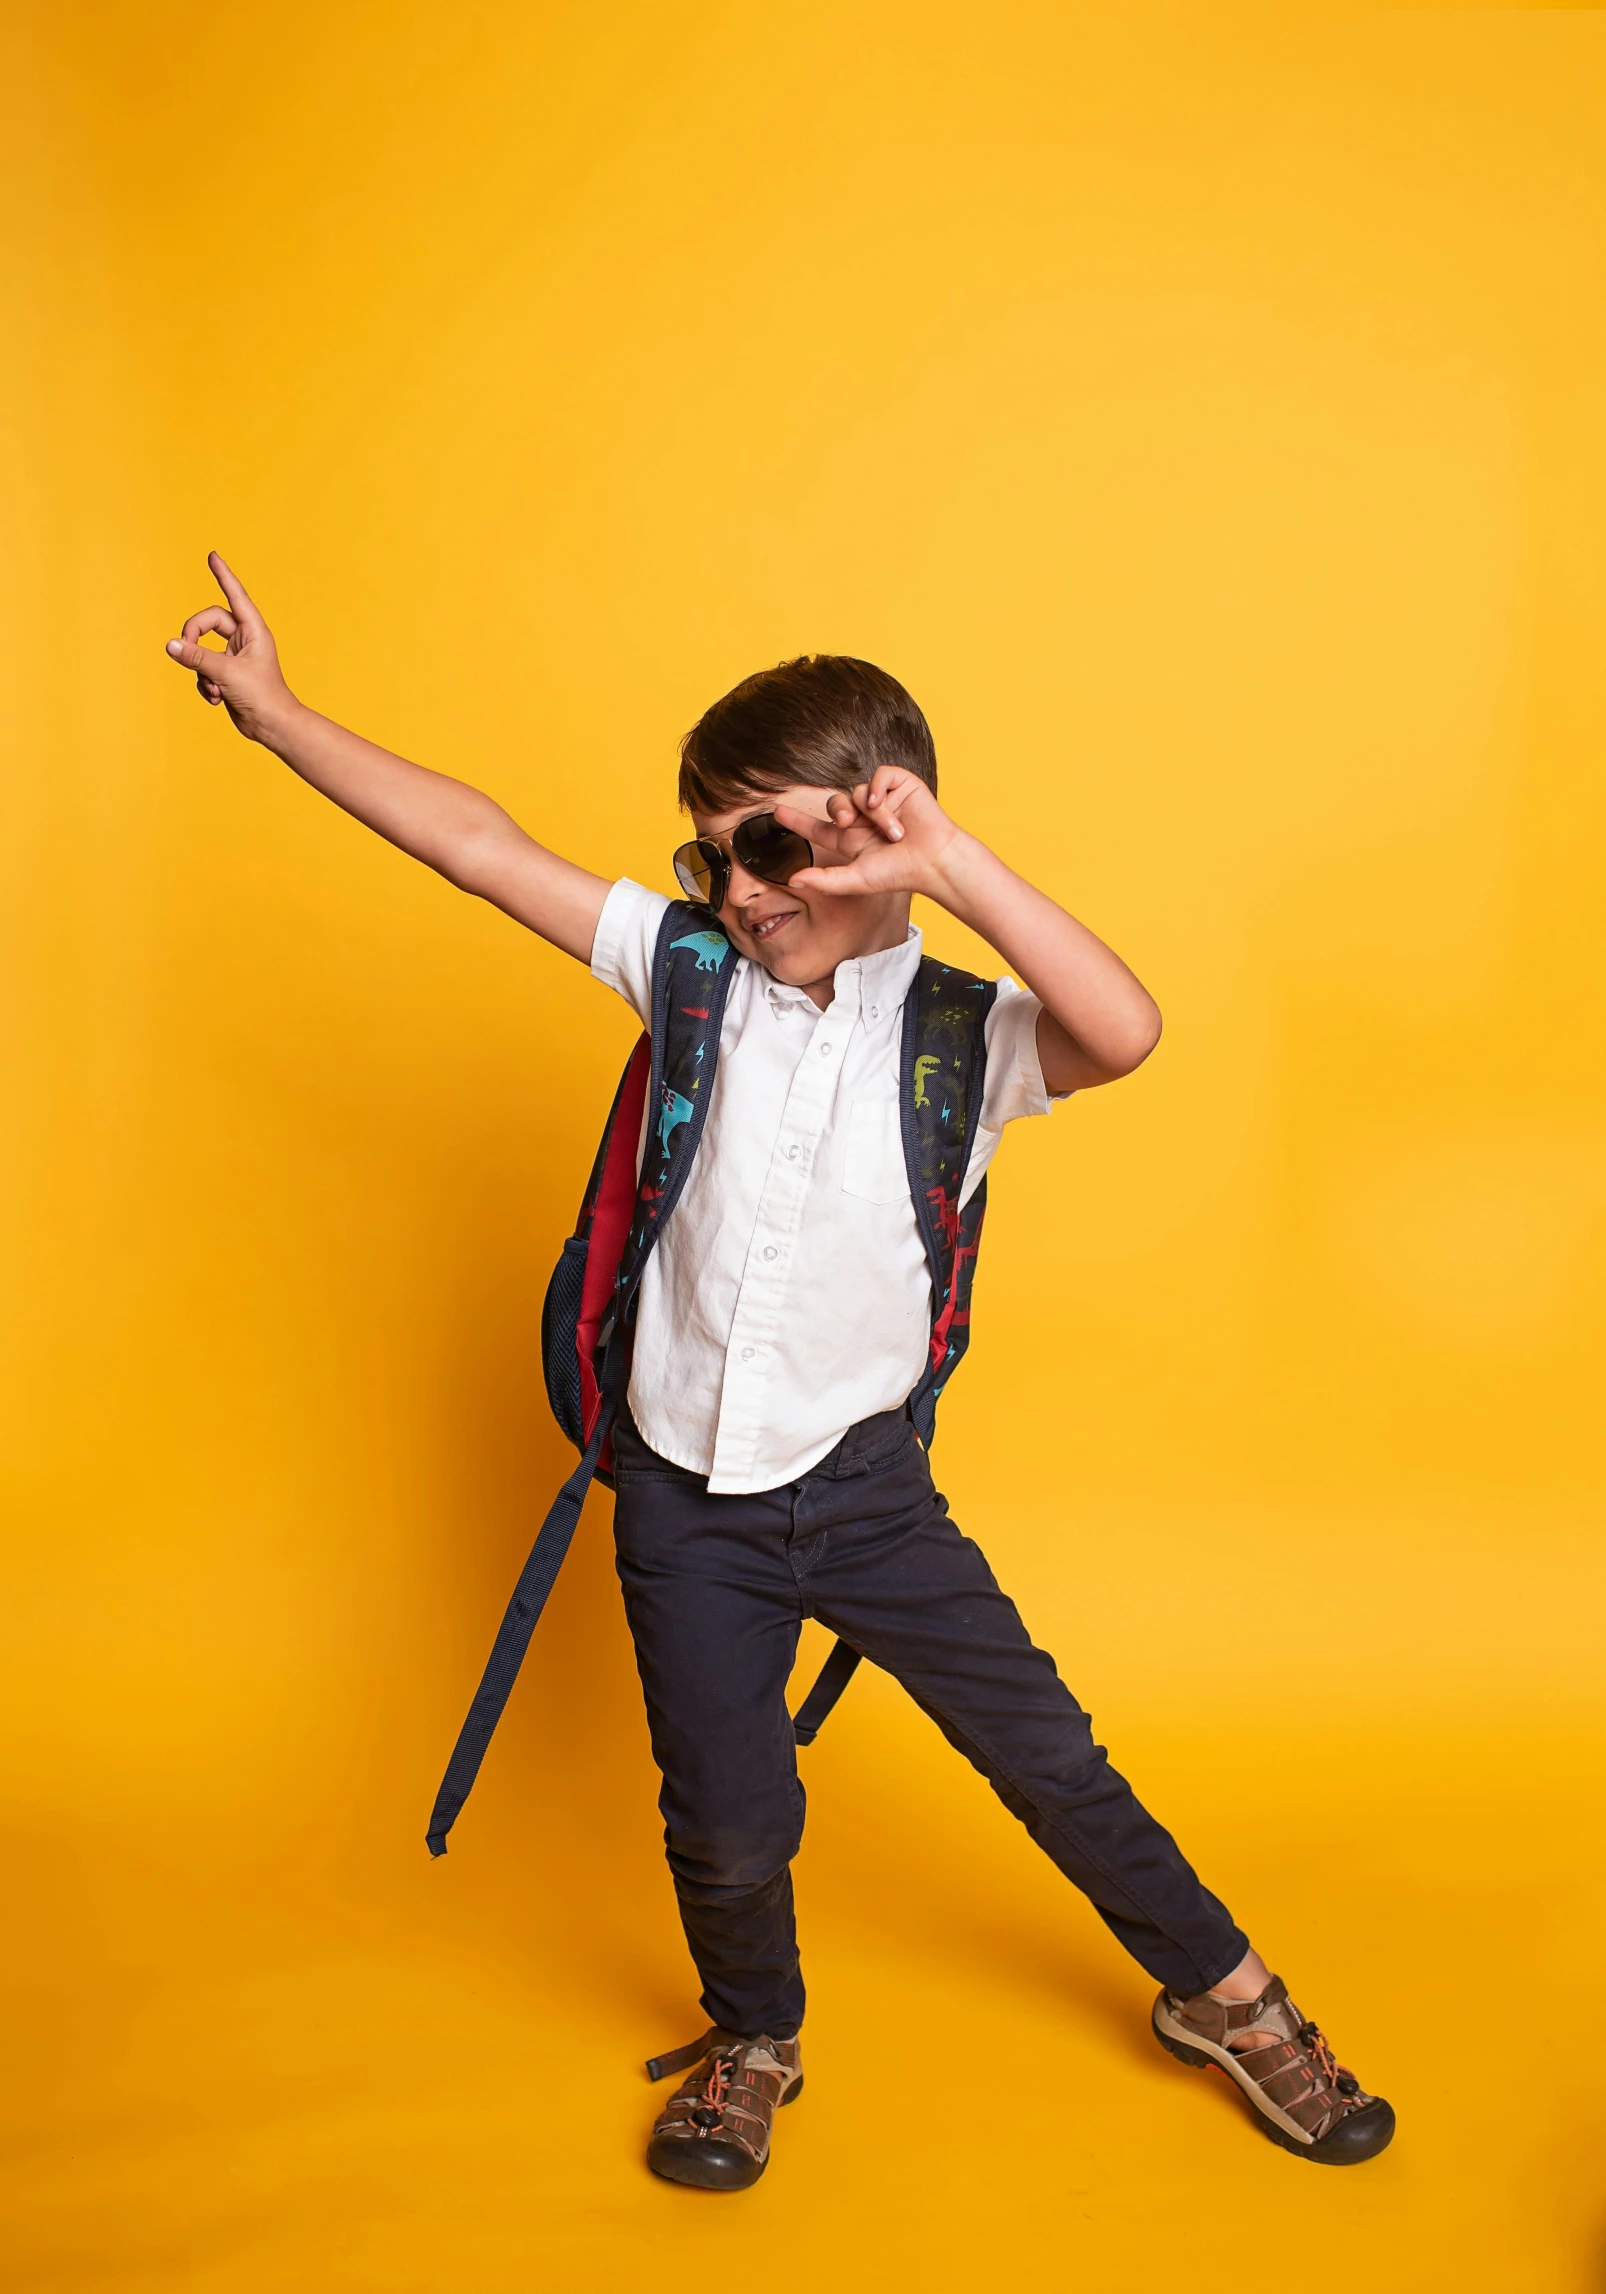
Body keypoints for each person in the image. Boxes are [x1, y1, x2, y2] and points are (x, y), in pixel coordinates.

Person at [166, 553, 1394, 2190]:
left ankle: (1231, 2001)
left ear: (878, 836)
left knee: (1052, 1760)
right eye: (709, 844)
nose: (738, 884)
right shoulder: (683, 972)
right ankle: (753, 2034)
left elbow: (1129, 1026)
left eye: (770, 846)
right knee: (726, 1811)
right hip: (683, 1495)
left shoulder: (967, 1034)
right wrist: (279, 716)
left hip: (868, 1493)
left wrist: (949, 861)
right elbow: (475, 843)